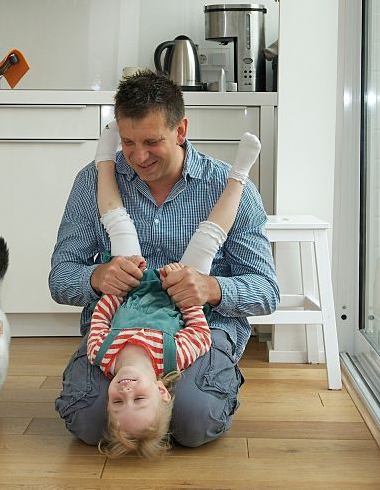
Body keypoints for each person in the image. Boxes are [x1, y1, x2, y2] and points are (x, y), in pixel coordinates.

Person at [50, 70, 280, 448]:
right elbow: (60, 277)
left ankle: (175, 404)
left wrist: (209, 288)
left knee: (194, 422)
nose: (139, 156)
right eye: (127, 142)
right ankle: (152, 410)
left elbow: (267, 291)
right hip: (118, 335)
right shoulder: (92, 183)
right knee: (90, 423)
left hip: (200, 330)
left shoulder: (227, 188)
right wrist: (98, 277)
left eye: (152, 141)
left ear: (181, 129)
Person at [87, 121, 263, 457]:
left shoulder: (102, 354)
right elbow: (199, 333)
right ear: (161, 391)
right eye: (139, 398)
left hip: (132, 286)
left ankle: (103, 161)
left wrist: (115, 287)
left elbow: (101, 316)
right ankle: (240, 175)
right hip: (179, 290)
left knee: (116, 222)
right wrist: (190, 293)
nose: (126, 390)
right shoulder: (171, 357)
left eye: (117, 400)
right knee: (209, 237)